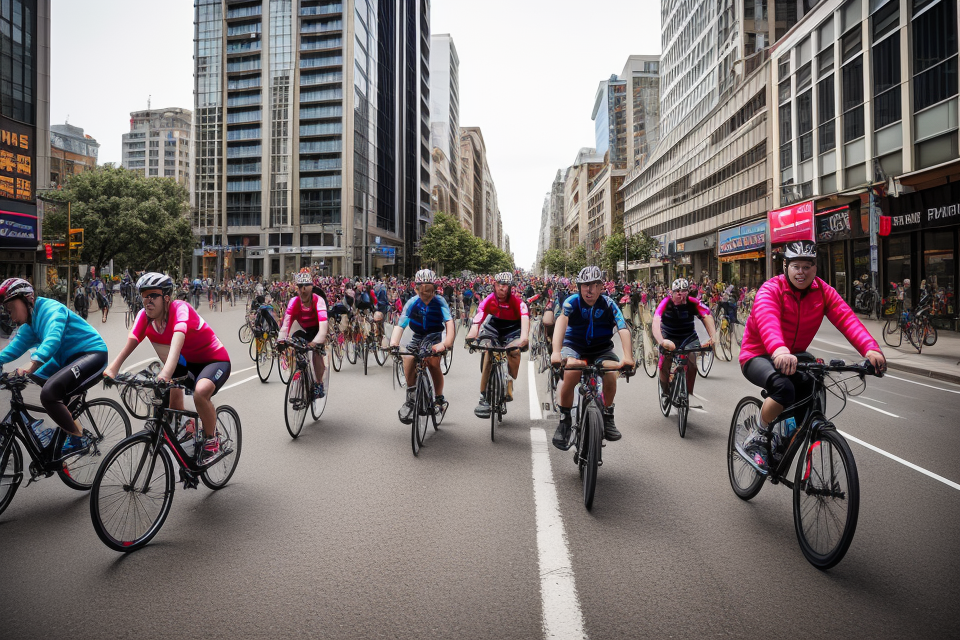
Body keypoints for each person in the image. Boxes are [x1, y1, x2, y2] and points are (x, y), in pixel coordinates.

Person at [738, 241, 886, 471]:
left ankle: (784, 441)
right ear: (785, 266)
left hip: (794, 356)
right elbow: (767, 320)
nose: (801, 272)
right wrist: (779, 350)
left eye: (807, 266)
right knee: (784, 388)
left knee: (812, 388)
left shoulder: (823, 291)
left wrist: (870, 349)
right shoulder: (771, 290)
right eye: (796, 266)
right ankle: (758, 433)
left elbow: (846, 318)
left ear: (815, 269)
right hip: (759, 354)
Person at [104, 273, 231, 462]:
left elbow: (177, 341)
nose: (147, 301)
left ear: (166, 297)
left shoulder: (181, 309)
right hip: (184, 364)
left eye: (153, 295)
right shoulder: (144, 316)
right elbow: (130, 344)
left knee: (200, 392)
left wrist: (165, 374)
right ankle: (189, 431)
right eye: (144, 296)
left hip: (213, 360)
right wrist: (112, 369)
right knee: (171, 402)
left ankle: (212, 440)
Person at [0, 278, 108, 455]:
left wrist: (32, 364)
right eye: (7, 310)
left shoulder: (52, 309)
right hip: (65, 361)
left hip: (91, 354)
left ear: (28, 299)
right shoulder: (30, 324)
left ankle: (77, 438)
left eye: (11, 309)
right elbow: (13, 348)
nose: (10, 315)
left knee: (49, 393)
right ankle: (52, 429)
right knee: (27, 383)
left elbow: (53, 339)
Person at [551, 266, 634, 450]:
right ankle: (564, 421)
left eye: (595, 285)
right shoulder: (571, 302)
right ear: (579, 287)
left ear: (601, 287)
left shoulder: (609, 304)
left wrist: (628, 357)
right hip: (574, 346)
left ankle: (608, 415)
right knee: (573, 370)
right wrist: (556, 352)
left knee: (611, 373)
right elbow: (561, 323)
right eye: (585, 285)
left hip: (602, 348)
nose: (590, 290)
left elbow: (622, 328)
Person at [389, 269, 454, 424]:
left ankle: (439, 398)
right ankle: (411, 399)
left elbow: (449, 324)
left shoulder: (440, 302)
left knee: (433, 363)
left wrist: (445, 344)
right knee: (408, 358)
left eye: (428, 287)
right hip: (417, 336)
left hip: (435, 336)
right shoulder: (412, 302)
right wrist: (394, 343)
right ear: (416, 287)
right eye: (421, 287)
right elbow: (401, 324)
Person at [466, 271, 530, 418]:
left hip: (512, 330)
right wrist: (473, 332)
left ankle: (509, 379)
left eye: (505, 285)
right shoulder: (489, 299)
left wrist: (524, 338)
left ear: (510, 287)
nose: (502, 288)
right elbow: (480, 314)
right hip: (493, 328)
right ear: (494, 285)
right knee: (488, 353)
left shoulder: (517, 302)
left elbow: (525, 319)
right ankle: (483, 397)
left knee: (514, 353)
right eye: (499, 284)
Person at [652, 278, 716, 403]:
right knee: (665, 361)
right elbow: (656, 321)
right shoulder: (665, 303)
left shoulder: (692, 302)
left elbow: (706, 315)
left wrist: (713, 337)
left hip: (688, 336)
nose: (681, 296)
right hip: (668, 336)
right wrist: (661, 341)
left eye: (685, 292)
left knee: (692, 362)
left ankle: (687, 391)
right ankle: (665, 392)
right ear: (672, 293)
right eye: (678, 293)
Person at [277, 272, 329, 399]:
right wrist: (280, 341)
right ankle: (298, 378)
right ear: (297, 288)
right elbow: (285, 325)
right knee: (293, 346)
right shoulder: (293, 302)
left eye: (306, 286)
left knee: (316, 352)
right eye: (300, 287)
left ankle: (318, 383)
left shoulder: (319, 300)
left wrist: (315, 343)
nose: (303, 290)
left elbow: (323, 330)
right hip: (302, 328)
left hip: (317, 330)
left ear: (311, 287)